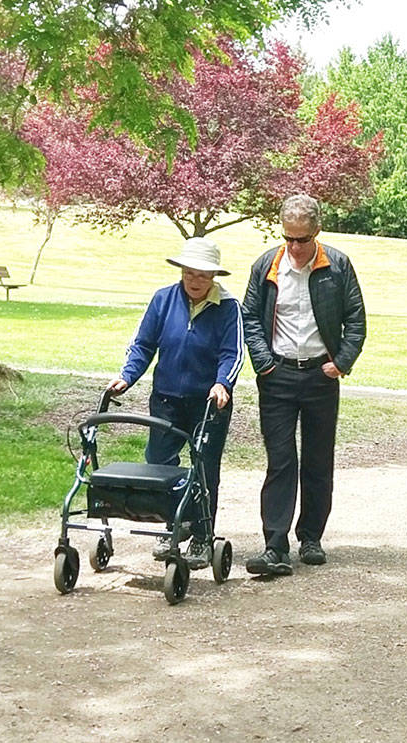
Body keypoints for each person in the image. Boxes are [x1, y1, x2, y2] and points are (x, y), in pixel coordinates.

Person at [240, 193, 366, 576]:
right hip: (277, 376)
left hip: (319, 377)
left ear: (317, 232)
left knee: (317, 460)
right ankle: (274, 545)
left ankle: (311, 537)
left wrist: (340, 362)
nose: (294, 247)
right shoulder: (267, 265)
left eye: (302, 239)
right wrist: (263, 363)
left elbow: (356, 320)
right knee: (280, 461)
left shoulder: (338, 266)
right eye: (289, 238)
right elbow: (249, 317)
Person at [107, 236, 242, 566]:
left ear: (214, 277)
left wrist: (222, 384)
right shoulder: (163, 300)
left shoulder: (228, 307)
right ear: (181, 271)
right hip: (166, 398)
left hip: (209, 402)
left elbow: (233, 353)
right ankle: (173, 527)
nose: (195, 281)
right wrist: (127, 376)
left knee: (204, 468)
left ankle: (201, 535)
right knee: (159, 463)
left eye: (203, 275)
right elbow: (143, 345)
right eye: (189, 273)